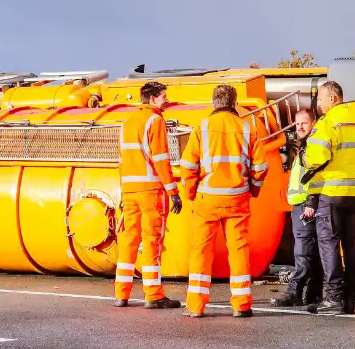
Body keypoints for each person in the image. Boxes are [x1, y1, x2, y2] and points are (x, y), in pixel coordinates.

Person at [177, 84, 269, 318]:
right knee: (238, 250)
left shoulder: (202, 127)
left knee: (201, 251)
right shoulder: (247, 128)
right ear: (234, 102)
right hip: (237, 198)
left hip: (206, 199)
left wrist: (190, 193)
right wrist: (254, 190)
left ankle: (195, 306)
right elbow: (260, 167)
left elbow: (187, 166)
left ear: (213, 103)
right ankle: (241, 304)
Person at [302, 80, 355, 315]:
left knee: (329, 245)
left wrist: (304, 158)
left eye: (321, 98)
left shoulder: (328, 123)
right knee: (351, 246)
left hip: (332, 194)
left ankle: (333, 299)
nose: (318, 103)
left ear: (333, 99)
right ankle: (349, 300)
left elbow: (315, 157)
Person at [113, 81, 183, 309]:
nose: (167, 100)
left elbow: (122, 161)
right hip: (151, 191)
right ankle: (153, 294)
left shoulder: (127, 122)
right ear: (153, 99)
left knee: (129, 241)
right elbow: (161, 160)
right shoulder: (155, 120)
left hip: (130, 191)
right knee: (152, 241)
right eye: (164, 96)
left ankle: (121, 294)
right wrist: (173, 191)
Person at [270, 107, 323, 307]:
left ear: (314, 123)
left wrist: (310, 202)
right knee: (313, 251)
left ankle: (294, 291)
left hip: (305, 206)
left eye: (304, 123)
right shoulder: (305, 146)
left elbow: (316, 176)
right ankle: (313, 294)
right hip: (303, 204)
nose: (300, 127)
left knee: (304, 253)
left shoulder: (311, 147)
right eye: (297, 123)